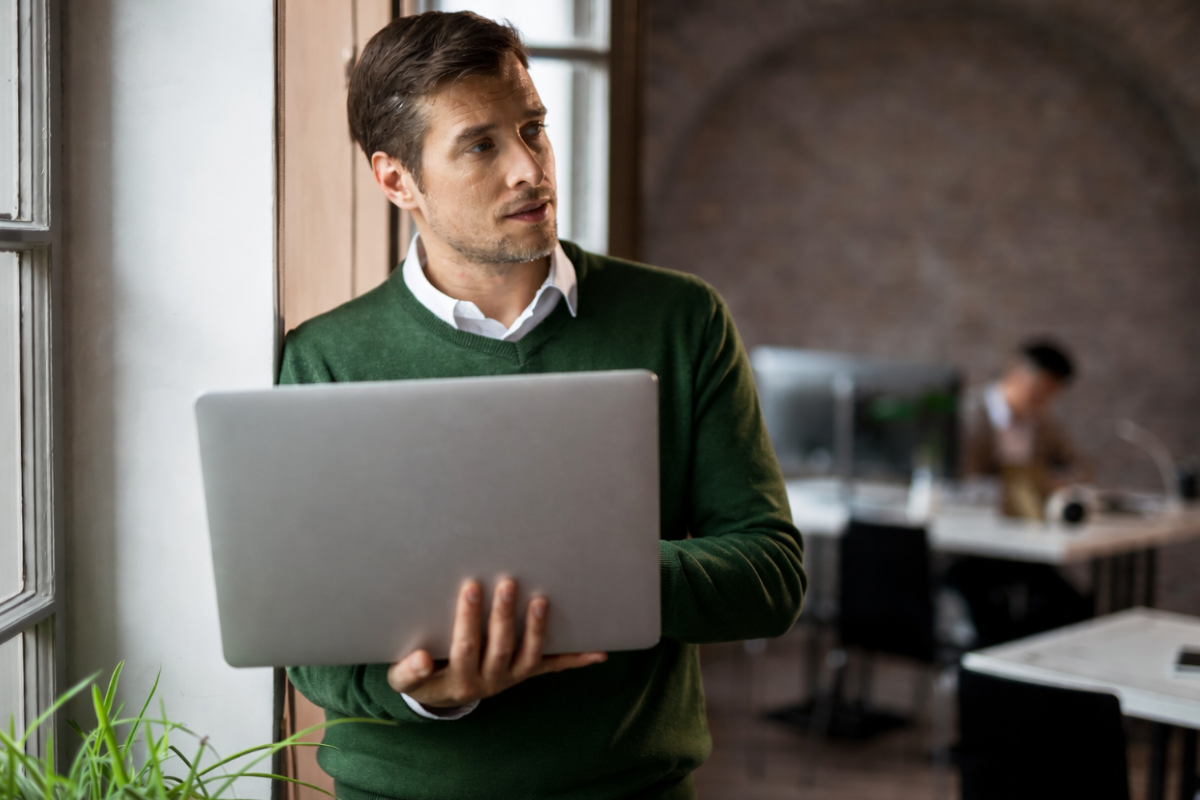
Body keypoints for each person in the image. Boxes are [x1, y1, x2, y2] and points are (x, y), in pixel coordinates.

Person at [279, 12, 806, 800]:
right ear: (397, 180)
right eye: (481, 144)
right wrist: (433, 690)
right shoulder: (325, 359)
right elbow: (310, 646)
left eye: (533, 128)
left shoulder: (681, 319)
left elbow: (769, 575)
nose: (530, 168)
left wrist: (572, 583)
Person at [947, 339, 1091, 647]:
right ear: (1015, 373)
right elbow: (961, 486)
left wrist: (1063, 479)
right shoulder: (969, 416)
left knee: (1072, 605)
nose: (1041, 401)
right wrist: (1030, 486)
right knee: (993, 624)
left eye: (1049, 396)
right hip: (974, 549)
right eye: (1037, 391)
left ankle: (1034, 680)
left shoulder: (1040, 424)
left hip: (1024, 548)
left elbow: (1079, 467)